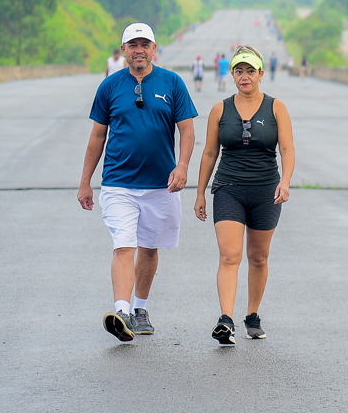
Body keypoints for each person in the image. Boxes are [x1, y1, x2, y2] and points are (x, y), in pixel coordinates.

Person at [77, 22, 197, 342]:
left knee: (149, 247)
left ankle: (140, 308)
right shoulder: (110, 86)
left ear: (154, 49)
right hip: (118, 182)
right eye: (132, 45)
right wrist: (85, 182)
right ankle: (122, 310)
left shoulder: (172, 83)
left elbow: (187, 130)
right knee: (123, 244)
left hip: (161, 184)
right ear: (123, 51)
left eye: (145, 44)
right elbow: (97, 136)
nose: (139, 50)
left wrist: (182, 166)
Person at [194, 45, 295, 345]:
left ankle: (252, 315)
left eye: (251, 70)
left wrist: (286, 181)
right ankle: (226, 319)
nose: (245, 76)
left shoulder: (276, 108)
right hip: (229, 188)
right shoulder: (219, 109)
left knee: (258, 257)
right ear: (232, 74)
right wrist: (200, 192)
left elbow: (287, 149)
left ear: (261, 73)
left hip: (266, 190)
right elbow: (210, 152)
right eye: (239, 70)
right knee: (230, 255)